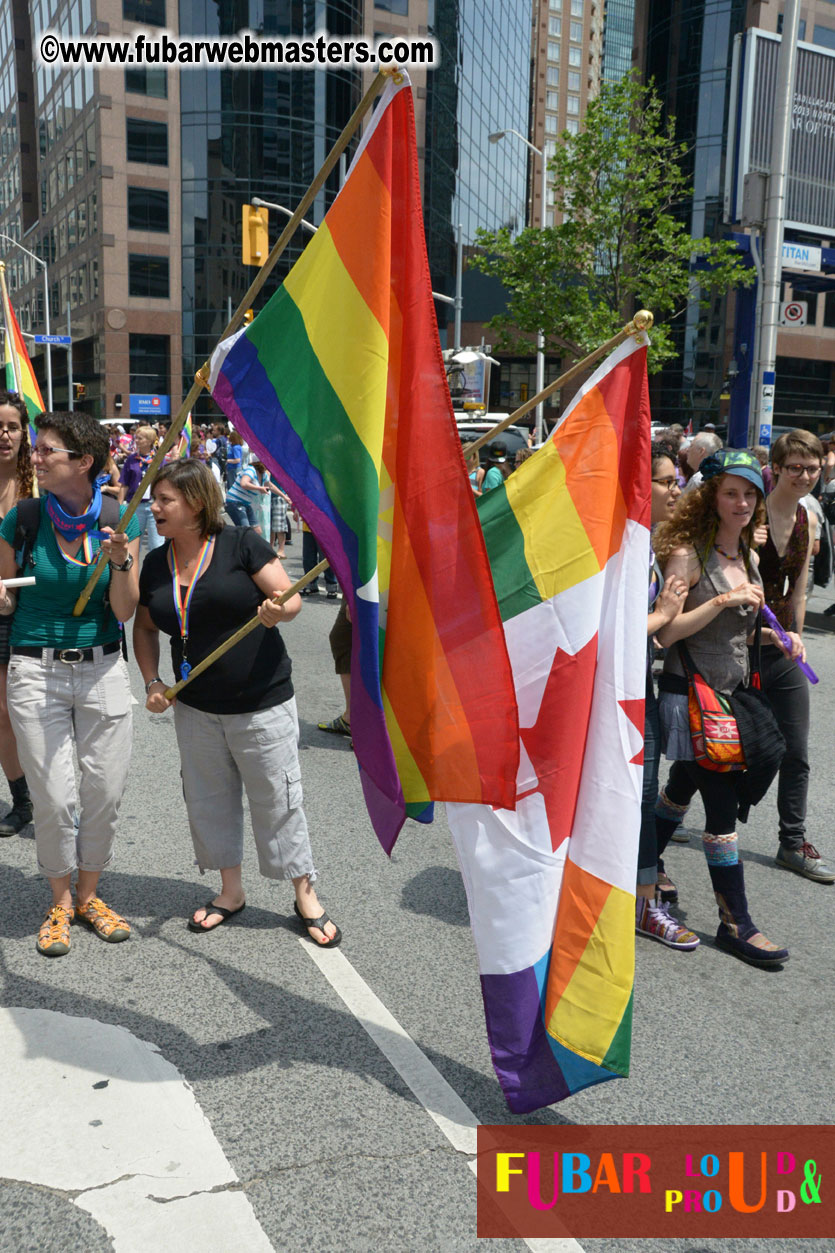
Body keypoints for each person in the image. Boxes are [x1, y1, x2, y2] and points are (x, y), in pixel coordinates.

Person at [132, 459, 341, 946]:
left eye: (165, 500)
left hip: (260, 701)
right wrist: (152, 682)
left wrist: (277, 610)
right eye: (154, 499)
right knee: (208, 800)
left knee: (278, 801)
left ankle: (304, 894)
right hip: (195, 706)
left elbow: (290, 599)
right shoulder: (157, 563)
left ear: (195, 503)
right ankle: (230, 891)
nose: (154, 507)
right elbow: (144, 626)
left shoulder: (241, 542)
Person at [0, 410, 140, 957]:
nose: (34, 456)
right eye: (35, 447)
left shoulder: (118, 518)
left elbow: (124, 610)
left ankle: (89, 895)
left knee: (104, 793)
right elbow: (6, 597)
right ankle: (59, 901)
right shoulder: (23, 519)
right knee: (55, 798)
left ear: (84, 462)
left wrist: (121, 561)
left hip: (103, 667)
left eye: (46, 450)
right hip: (36, 669)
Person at [652, 449, 790, 968]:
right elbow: (666, 633)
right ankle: (737, 922)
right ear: (711, 496)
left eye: (750, 493)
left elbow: (742, 633)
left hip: (728, 699)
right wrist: (718, 602)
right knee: (721, 807)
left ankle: (645, 863)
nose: (742, 502)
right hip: (691, 697)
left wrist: (781, 639)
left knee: (682, 783)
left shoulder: (747, 558)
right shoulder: (688, 554)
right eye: (731, 492)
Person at [635, 444, 699, 949]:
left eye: (677, 480)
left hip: (640, 684)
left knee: (641, 793)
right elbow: (606, 632)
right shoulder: (617, 545)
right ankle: (642, 903)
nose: (676, 489)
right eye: (666, 481)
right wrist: (661, 616)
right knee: (637, 794)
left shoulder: (648, 542)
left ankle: (638, 893)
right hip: (614, 692)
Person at [0, 391, 34, 836]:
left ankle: (56, 792)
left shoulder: (40, 486)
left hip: (37, 607)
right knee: (3, 713)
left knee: (38, 710)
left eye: (11, 427)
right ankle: (22, 800)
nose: (4, 435)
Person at [119, 424, 164, 552]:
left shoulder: (158, 459)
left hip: (154, 505)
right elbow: (124, 484)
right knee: (133, 544)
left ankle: (155, 566)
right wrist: (119, 505)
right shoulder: (131, 459)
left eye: (140, 438)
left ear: (149, 441)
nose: (136, 441)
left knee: (156, 544)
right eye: (136, 438)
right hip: (135, 505)